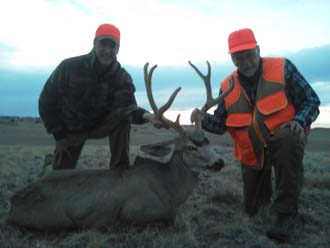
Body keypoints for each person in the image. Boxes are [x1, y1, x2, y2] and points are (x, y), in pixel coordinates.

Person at [191, 28, 320, 242]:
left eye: (250, 54)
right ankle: (266, 195)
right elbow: (221, 124)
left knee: (286, 139)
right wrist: (202, 119)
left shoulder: (282, 68)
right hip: (253, 152)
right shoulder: (227, 86)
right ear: (232, 59)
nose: (246, 61)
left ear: (258, 50)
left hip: (284, 141)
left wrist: (299, 121)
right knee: (253, 209)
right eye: (239, 57)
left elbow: (311, 100)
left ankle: (286, 213)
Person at [39, 23, 159, 171]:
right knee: (60, 176)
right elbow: (46, 101)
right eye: (103, 44)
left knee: (122, 119)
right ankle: (53, 161)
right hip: (71, 130)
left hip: (100, 125)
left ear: (118, 49)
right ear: (94, 43)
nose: (107, 51)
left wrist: (146, 116)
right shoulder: (69, 67)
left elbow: (126, 107)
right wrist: (59, 136)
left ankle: (119, 171)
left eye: (112, 46)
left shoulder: (121, 77)